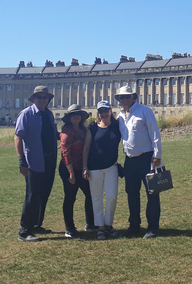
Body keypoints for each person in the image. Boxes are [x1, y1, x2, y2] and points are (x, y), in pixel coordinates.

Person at [116, 85, 163, 239]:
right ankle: (134, 225)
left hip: (147, 158)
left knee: (152, 193)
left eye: (126, 97)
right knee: (131, 194)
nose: (123, 100)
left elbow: (155, 133)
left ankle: (153, 227)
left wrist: (157, 155)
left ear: (133, 97)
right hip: (129, 160)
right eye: (121, 97)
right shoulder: (120, 116)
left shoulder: (144, 111)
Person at [14, 85, 59, 242]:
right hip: (33, 161)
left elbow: (52, 134)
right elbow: (18, 137)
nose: (42, 99)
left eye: (45, 97)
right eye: (39, 97)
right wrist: (21, 160)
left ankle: (37, 224)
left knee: (44, 194)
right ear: (33, 99)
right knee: (32, 196)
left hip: (50, 159)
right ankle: (25, 231)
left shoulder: (49, 114)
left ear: (48, 99)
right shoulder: (26, 114)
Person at [82, 100, 123, 240]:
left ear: (110, 111)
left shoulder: (117, 126)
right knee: (97, 197)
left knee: (112, 196)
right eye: (101, 111)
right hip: (94, 168)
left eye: (106, 111)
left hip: (111, 166)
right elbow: (86, 148)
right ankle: (101, 227)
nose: (104, 114)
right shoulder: (92, 128)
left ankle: (108, 224)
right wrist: (85, 167)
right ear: (97, 113)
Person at [58, 104, 94, 238]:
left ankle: (90, 223)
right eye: (73, 115)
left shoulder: (84, 131)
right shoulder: (67, 132)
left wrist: (85, 167)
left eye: (78, 114)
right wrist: (71, 172)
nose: (76, 117)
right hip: (68, 168)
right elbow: (65, 153)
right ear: (69, 118)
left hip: (82, 167)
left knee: (90, 194)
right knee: (70, 197)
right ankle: (69, 228)